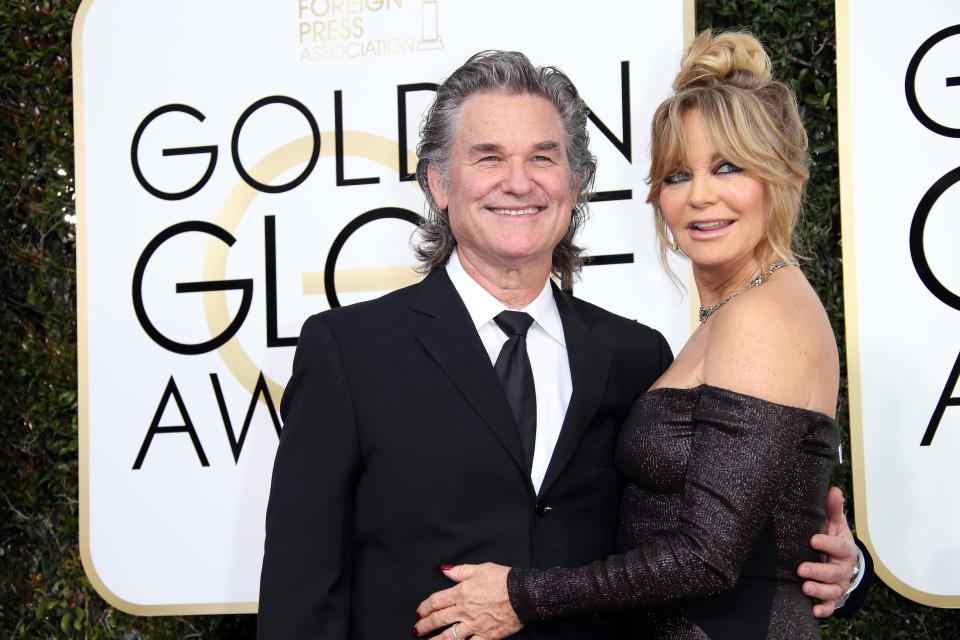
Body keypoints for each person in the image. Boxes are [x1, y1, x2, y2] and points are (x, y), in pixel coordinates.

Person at [258, 47, 861, 640]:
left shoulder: (636, 356)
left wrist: (836, 566)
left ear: (575, 186)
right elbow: (301, 588)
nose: (518, 183)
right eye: (488, 157)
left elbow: (707, 534)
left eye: (543, 158)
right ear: (438, 183)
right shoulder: (348, 352)